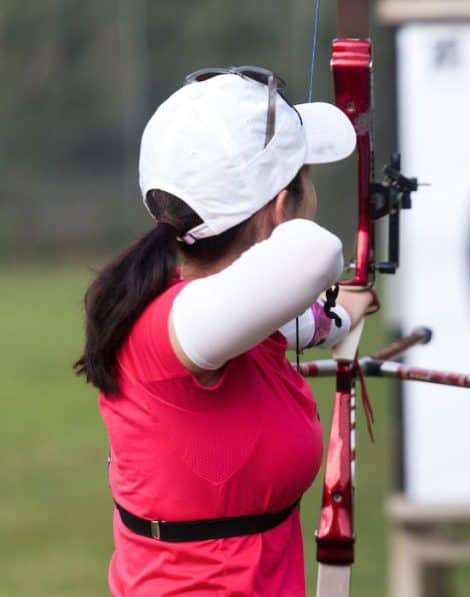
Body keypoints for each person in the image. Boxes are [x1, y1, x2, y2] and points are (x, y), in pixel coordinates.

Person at [74, 67, 374, 596]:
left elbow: (286, 320)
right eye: (305, 179)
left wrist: (339, 318)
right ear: (281, 209)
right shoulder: (177, 326)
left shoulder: (213, 313)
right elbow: (315, 255)